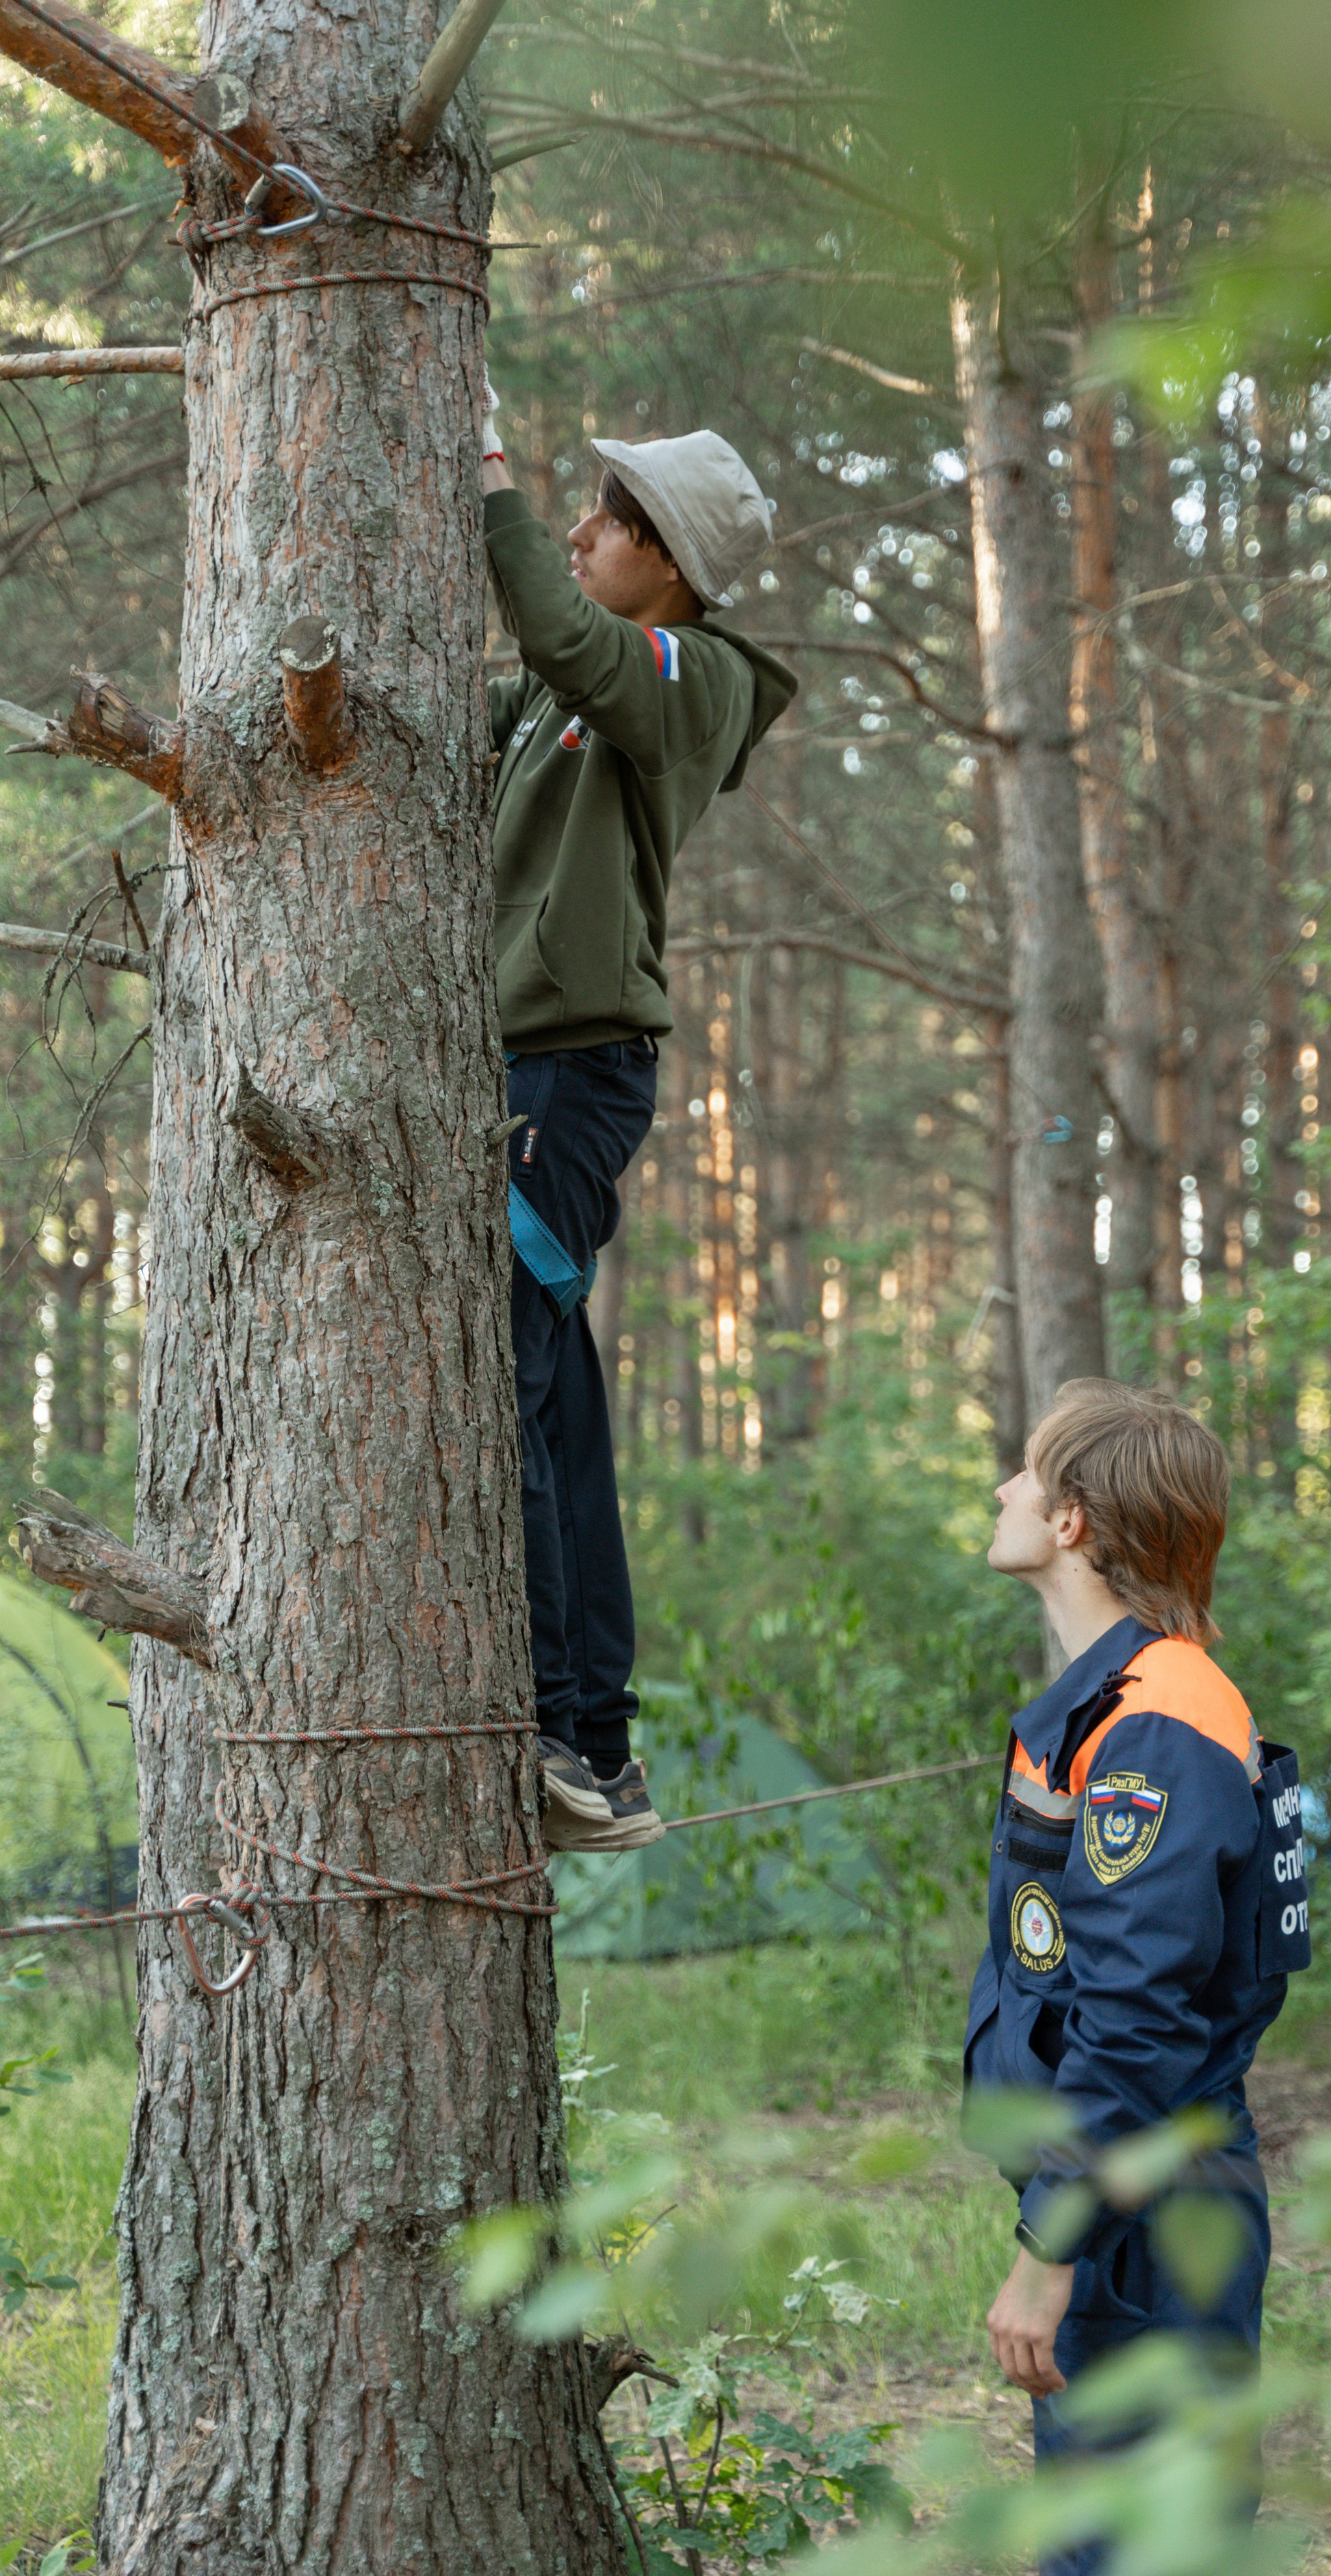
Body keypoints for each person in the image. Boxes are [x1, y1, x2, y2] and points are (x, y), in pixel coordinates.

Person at [477, 386, 797, 1853]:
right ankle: (598, 1744)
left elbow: (561, 629)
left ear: (665, 560)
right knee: (552, 1398)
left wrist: (483, 487)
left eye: (607, 519)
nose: (580, 528)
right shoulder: (574, 688)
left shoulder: (690, 674)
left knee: (516, 1386)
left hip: (569, 1074)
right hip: (524, 1073)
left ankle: (558, 1728)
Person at [966, 1378, 1310, 2576]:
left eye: (1024, 1470)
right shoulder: (1122, 1703)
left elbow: (1139, 2022)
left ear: (1071, 1522)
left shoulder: (1158, 1728)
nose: (1002, 1487)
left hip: (1146, 2209)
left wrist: (1050, 2252)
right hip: (1129, 2194)